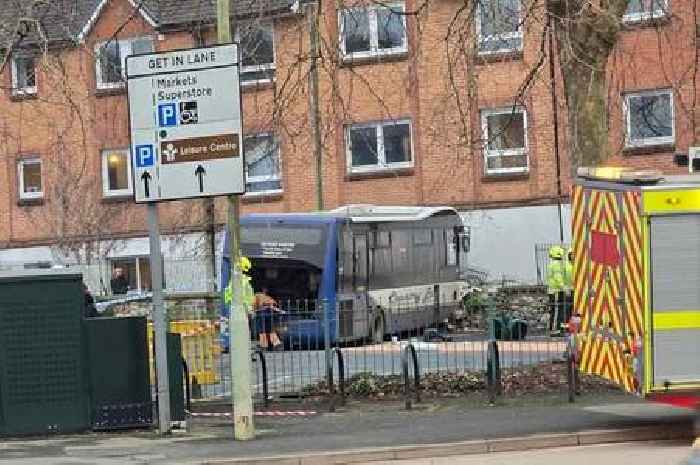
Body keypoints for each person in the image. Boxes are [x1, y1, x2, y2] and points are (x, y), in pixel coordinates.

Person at [546, 245, 566, 335]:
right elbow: (558, 278)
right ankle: (555, 329)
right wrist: (564, 287)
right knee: (557, 310)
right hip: (556, 291)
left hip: (552, 291)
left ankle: (554, 328)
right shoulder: (557, 265)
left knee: (554, 310)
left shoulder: (551, 264)